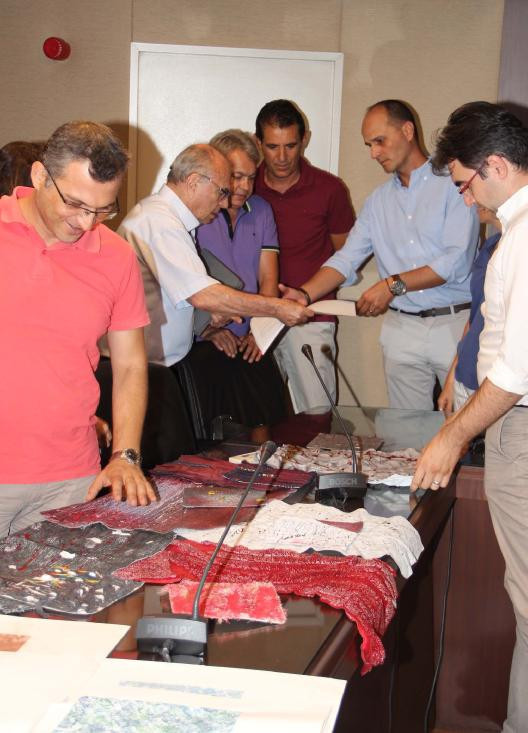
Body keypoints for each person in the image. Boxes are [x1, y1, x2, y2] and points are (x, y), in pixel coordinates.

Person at [412, 101, 528, 733]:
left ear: (494, 165)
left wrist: (452, 434)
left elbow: (518, 369)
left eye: (465, 184)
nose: (467, 200)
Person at [0, 121, 155, 538]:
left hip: (72, 479)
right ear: (39, 176)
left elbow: (129, 366)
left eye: (102, 209)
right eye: (75, 203)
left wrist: (125, 454)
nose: (86, 223)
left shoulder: (117, 257)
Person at [280, 99, 479, 410]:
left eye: (379, 141)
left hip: (454, 323)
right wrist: (304, 295)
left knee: (462, 425)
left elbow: (456, 262)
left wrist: (391, 285)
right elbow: (346, 259)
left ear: (407, 131)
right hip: (402, 327)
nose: (374, 153)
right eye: (369, 145)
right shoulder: (378, 202)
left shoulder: (454, 184)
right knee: (405, 430)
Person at [118, 142, 311, 369]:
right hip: (138, 365)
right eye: (222, 192)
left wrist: (213, 314)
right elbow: (204, 296)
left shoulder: (169, 220)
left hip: (153, 362)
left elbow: (180, 295)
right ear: (193, 182)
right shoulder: (160, 224)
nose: (224, 203)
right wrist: (278, 308)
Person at [254, 99, 355, 414]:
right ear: (258, 143)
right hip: (256, 319)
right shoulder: (245, 187)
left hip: (312, 318)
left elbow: (347, 255)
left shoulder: (330, 189)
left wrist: (312, 292)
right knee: (259, 417)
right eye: (272, 147)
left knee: (317, 414)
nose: (282, 157)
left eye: (291, 146)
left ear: (305, 140)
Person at [191, 129, 286, 441]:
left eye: (251, 177)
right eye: (236, 177)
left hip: (249, 334)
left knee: (263, 415)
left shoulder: (262, 210)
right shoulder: (196, 214)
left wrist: (260, 331)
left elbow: (268, 280)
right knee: (209, 437)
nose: (245, 186)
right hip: (203, 339)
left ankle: (261, 471)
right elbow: (180, 283)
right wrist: (209, 330)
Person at [438, 206, 501, 414]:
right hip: (466, 375)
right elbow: (475, 318)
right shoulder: (490, 245)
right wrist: (452, 377)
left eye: (471, 191)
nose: (470, 201)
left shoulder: (525, 248)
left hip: (494, 383)